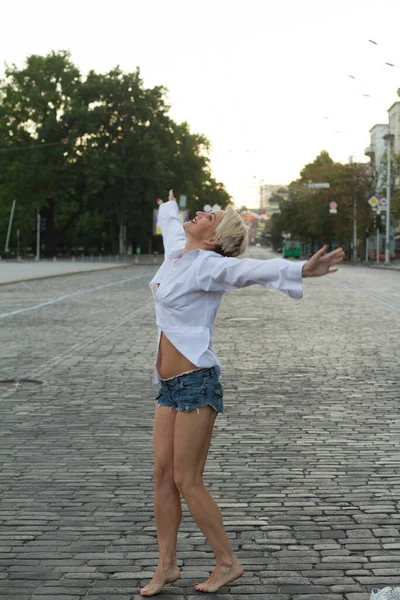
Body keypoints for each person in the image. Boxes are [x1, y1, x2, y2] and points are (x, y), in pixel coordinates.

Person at [140, 190, 344, 596]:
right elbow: (168, 228)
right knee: (163, 476)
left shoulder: (210, 266)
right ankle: (167, 566)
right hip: (168, 387)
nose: (200, 213)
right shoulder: (178, 255)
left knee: (187, 479)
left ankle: (227, 562)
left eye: (208, 216)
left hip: (197, 382)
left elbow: (249, 271)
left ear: (214, 238)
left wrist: (300, 270)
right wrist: (169, 206)